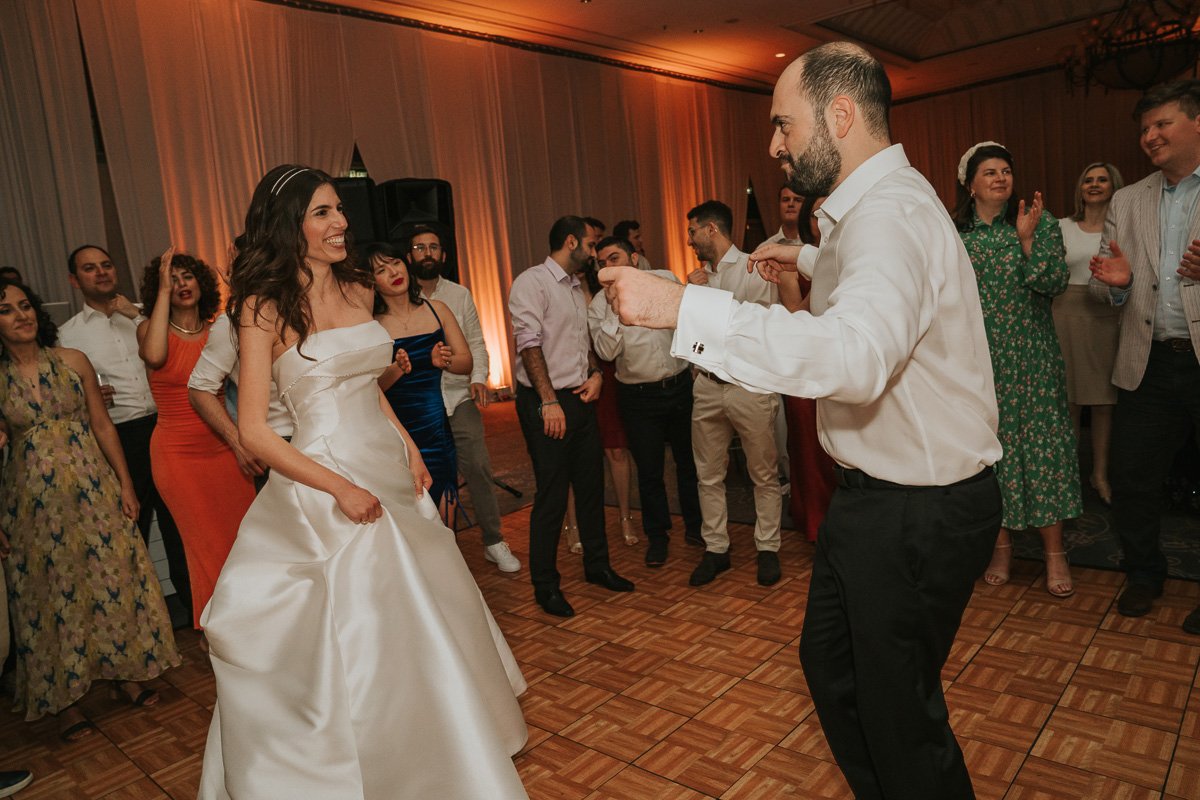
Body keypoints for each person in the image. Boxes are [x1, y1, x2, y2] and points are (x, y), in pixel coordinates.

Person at [601, 41, 1003, 799]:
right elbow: (887, 289)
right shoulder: (872, 216)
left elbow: (854, 356)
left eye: (784, 125)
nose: (774, 146)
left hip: (915, 509)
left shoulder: (888, 217)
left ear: (840, 116)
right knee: (835, 671)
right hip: (878, 499)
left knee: (899, 719)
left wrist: (681, 306)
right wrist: (811, 265)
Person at [197, 164, 528, 799]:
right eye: (323, 212)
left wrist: (409, 449)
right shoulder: (263, 309)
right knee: (364, 626)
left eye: (339, 210)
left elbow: (368, 387)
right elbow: (261, 434)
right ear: (290, 225)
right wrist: (339, 489)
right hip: (325, 476)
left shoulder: (355, 291)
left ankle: (446, 747)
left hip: (386, 465)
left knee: (427, 611)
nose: (341, 222)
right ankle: (370, 765)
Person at [0, 279, 180, 741]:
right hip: (30, 506)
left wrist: (125, 482)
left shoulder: (72, 361)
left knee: (112, 578)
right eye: (6, 309)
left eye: (25, 306)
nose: (20, 315)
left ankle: (125, 672)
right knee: (50, 595)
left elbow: (102, 423)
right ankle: (64, 699)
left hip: (93, 489)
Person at [1089, 80, 1200, 633]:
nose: (1150, 136)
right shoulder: (1127, 199)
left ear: (1198, 123)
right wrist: (1117, 284)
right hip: (1149, 361)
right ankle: (1143, 573)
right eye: (1144, 129)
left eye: (1163, 124)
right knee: (1134, 478)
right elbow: (1104, 289)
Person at [952, 142, 1080, 598]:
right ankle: (1001, 547)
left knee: (1044, 451)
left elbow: (1053, 282)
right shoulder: (957, 237)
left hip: (1034, 357)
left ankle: (1054, 554)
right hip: (982, 362)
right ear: (971, 185)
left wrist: (1027, 241)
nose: (1001, 178)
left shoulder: (1040, 223)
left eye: (1006, 170)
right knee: (993, 454)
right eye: (990, 172)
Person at [508, 215, 634, 618]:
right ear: (570, 242)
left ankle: (597, 566)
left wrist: (596, 374)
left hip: (579, 398)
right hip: (545, 402)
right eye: (592, 244)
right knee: (552, 495)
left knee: (591, 486)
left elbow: (580, 345)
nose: (595, 252)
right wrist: (548, 401)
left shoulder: (577, 287)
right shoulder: (532, 282)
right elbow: (529, 344)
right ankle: (545, 585)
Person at [59, 244, 192, 624]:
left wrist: (135, 314)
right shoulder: (67, 337)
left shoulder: (147, 317)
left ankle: (193, 608)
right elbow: (66, 397)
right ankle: (144, 620)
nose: (100, 273)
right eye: (89, 268)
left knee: (179, 523)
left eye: (106, 265)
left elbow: (177, 350)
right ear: (74, 280)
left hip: (167, 426)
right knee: (130, 530)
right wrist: (83, 395)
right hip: (120, 436)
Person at [137, 250, 257, 631]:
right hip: (177, 454)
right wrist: (160, 290)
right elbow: (155, 355)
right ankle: (216, 629)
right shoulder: (148, 330)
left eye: (187, 276)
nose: (181, 284)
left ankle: (252, 620)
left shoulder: (219, 329)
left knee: (244, 536)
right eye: (172, 279)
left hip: (224, 447)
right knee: (203, 546)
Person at [403, 223, 520, 572]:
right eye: (420, 248)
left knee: (479, 468)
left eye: (433, 247)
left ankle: (493, 541)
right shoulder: (396, 298)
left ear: (443, 255)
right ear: (410, 256)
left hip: (457, 398)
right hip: (417, 406)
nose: (427, 254)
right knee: (423, 478)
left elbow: (476, 341)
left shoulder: (459, 294)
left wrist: (478, 378)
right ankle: (434, 551)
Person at [683, 200, 783, 588]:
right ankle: (716, 549)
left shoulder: (753, 268)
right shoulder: (696, 277)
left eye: (693, 231)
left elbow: (757, 326)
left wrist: (708, 298)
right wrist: (690, 298)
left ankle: (768, 548)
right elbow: (693, 333)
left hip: (749, 386)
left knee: (763, 473)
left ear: (711, 229)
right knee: (707, 474)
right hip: (708, 386)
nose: (689, 240)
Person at [589, 236, 702, 567]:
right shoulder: (598, 304)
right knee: (650, 471)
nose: (608, 267)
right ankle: (658, 537)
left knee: (689, 464)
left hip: (679, 386)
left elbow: (688, 324)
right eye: (602, 262)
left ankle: (696, 527)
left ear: (634, 258)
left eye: (614, 258)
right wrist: (613, 311)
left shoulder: (664, 279)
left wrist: (696, 366)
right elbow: (607, 352)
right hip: (638, 396)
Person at [365, 239, 470, 507]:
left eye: (396, 263)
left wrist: (444, 361)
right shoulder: (370, 326)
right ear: (372, 282)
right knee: (412, 516)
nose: (393, 273)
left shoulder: (438, 310)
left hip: (436, 431)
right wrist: (397, 369)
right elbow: (368, 390)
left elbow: (466, 362)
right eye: (381, 270)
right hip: (395, 438)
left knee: (445, 511)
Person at [1054, 162, 1124, 505]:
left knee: (1102, 403)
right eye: (1088, 180)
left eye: (1102, 179)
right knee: (1067, 402)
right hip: (1063, 315)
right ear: (1080, 188)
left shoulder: (1123, 230)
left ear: (1114, 186)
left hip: (1104, 318)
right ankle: (1068, 477)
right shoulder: (1060, 226)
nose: (1094, 185)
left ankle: (1100, 475)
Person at [776, 196, 837, 542]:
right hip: (806, 372)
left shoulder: (853, 254)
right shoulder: (790, 263)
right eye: (816, 214)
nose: (822, 219)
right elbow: (796, 319)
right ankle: (817, 524)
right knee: (811, 452)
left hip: (841, 366)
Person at [187, 301, 295, 493]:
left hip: (327, 436)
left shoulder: (306, 307)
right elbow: (199, 388)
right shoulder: (233, 321)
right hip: (277, 443)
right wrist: (238, 441)